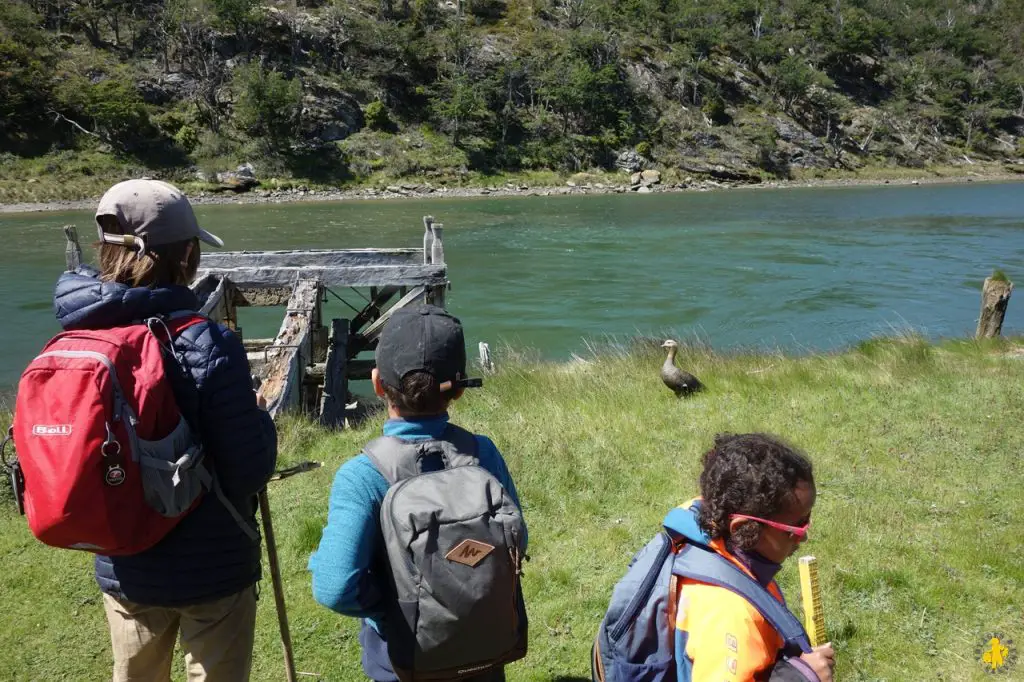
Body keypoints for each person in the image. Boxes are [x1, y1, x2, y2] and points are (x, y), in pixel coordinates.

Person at [54, 179, 278, 682]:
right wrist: (260, 418)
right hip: (212, 565)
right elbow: (248, 469)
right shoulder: (208, 343)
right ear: (187, 254)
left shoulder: (77, 335)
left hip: (126, 561)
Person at [309, 304, 527, 681]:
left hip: (403, 660)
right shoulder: (483, 453)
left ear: (377, 384)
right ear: (458, 391)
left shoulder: (363, 476)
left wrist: (396, 610)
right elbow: (516, 539)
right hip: (484, 648)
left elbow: (335, 586)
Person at [673, 433, 835, 682]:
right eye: (796, 526)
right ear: (743, 529)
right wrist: (801, 676)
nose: (803, 537)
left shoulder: (712, 535)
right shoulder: (730, 615)